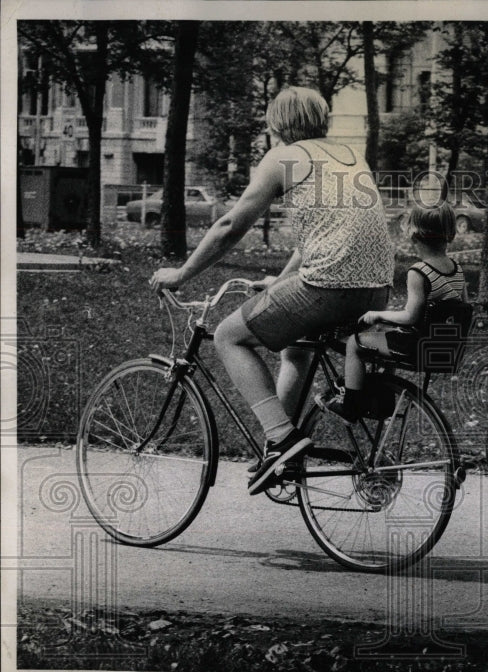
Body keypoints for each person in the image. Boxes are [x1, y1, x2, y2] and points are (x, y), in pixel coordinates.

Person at [150, 86, 394, 495]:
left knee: (229, 336)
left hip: (328, 287)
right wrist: (280, 282)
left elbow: (231, 226)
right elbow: (328, 233)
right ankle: (278, 454)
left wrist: (181, 274)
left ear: (277, 123)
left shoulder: (283, 158)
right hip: (377, 290)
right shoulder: (351, 155)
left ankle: (283, 438)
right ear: (321, 119)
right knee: (294, 350)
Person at [330, 202, 468, 422]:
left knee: (354, 344)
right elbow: (463, 307)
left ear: (413, 234)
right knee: (385, 332)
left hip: (417, 346)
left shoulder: (419, 272)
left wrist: (378, 314)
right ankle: (381, 396)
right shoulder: (457, 270)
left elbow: (411, 316)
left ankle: (351, 406)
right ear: (450, 233)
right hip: (442, 348)